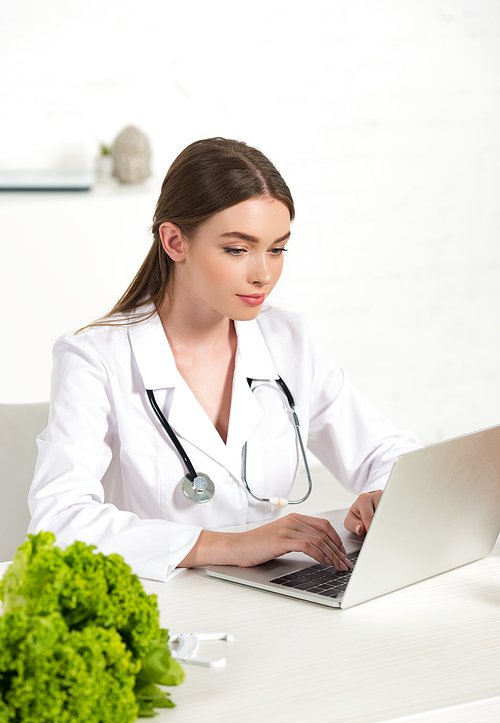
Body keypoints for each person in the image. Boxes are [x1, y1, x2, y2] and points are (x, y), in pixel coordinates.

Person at [28, 137, 420, 582]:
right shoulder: (95, 358)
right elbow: (58, 522)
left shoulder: (287, 339)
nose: (263, 274)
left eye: (277, 249)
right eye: (237, 249)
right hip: (159, 603)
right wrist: (230, 546)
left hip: (271, 595)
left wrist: (383, 493)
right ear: (175, 241)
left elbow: (390, 454)